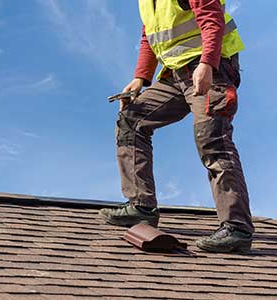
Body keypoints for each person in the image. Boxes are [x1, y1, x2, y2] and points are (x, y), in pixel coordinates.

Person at [99, 0, 254, 253]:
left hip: (211, 69)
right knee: (131, 119)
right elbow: (149, 35)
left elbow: (212, 18)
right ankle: (141, 207)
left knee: (212, 140)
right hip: (176, 76)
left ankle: (237, 228)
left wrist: (207, 63)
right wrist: (140, 78)